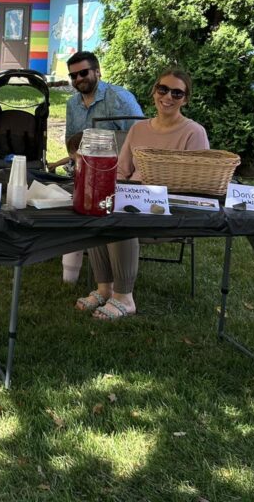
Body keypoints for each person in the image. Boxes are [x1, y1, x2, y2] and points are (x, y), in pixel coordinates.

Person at [75, 67, 209, 321]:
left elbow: (195, 186)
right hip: (134, 200)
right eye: (163, 89)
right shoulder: (138, 130)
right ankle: (105, 288)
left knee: (122, 221)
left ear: (186, 99)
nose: (168, 97)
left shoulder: (194, 133)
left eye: (177, 93)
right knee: (97, 210)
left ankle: (125, 296)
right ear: (154, 92)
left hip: (169, 210)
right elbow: (122, 172)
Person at [50, 51, 143, 283]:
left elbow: (140, 139)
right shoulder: (73, 103)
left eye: (83, 73)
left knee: (83, 205)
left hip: (115, 176)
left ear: (98, 71)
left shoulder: (120, 98)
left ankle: (92, 269)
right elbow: (72, 142)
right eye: (73, 76)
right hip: (81, 170)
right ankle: (71, 271)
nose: (78, 79)